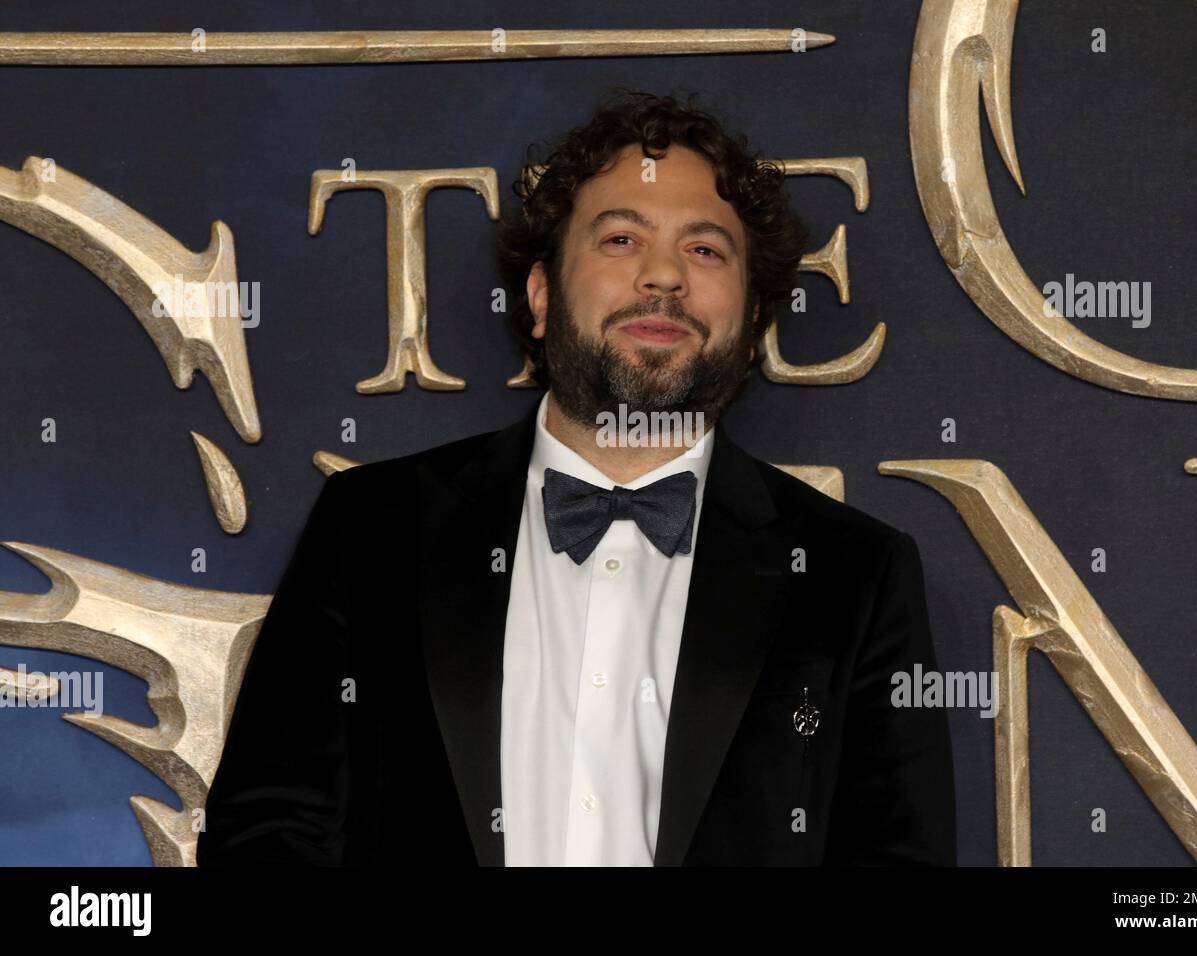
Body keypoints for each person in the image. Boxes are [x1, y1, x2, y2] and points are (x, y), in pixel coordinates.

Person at [196, 90, 957, 867]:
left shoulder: (854, 574)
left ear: (755, 311)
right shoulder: (372, 528)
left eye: (704, 250)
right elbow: (263, 834)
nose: (663, 276)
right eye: (622, 238)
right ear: (540, 294)